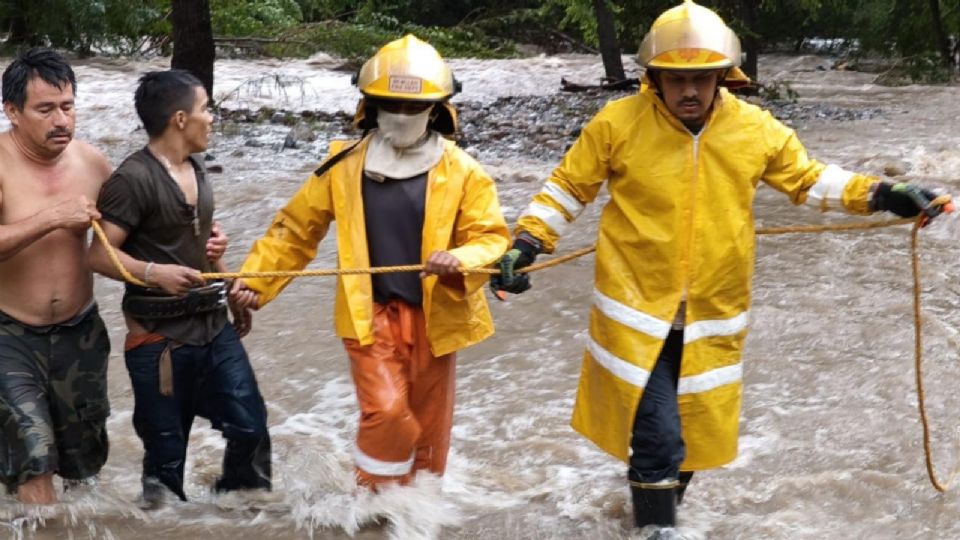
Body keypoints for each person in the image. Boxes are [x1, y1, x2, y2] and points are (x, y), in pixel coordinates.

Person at [491, 0, 952, 531]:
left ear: (722, 78)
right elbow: (568, 188)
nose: (690, 91)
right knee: (660, 437)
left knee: (686, 441)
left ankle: (649, 511)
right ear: (655, 79)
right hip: (634, 311)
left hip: (712, 315)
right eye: (677, 79)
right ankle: (656, 529)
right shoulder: (617, 124)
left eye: (702, 79)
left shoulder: (755, 129)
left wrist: (884, 194)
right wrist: (526, 242)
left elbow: (808, 180)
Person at [231, 35, 510, 490]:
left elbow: (492, 239)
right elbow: (296, 229)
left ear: (437, 110)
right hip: (370, 318)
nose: (401, 116)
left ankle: (416, 514)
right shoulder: (342, 166)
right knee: (388, 412)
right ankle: (374, 503)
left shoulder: (464, 171)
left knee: (429, 429)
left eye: (412, 107)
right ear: (370, 106)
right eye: (390, 105)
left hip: (436, 318)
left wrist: (458, 259)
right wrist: (255, 282)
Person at [88, 69, 269, 505]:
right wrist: (155, 273)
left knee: (251, 427)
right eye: (206, 109)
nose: (212, 118)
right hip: (160, 341)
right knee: (166, 459)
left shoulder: (197, 166)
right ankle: (164, 527)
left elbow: (202, 242)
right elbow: (97, 254)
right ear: (180, 119)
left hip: (214, 327)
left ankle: (241, 516)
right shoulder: (132, 179)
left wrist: (229, 283)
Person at [0, 47, 113, 504]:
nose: (61, 120)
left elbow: (133, 240)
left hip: (80, 333)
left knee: (85, 471)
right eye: (45, 109)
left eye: (67, 106)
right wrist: (50, 219)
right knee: (33, 457)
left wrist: (207, 248)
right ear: (12, 112)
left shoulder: (94, 164)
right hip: (9, 334)